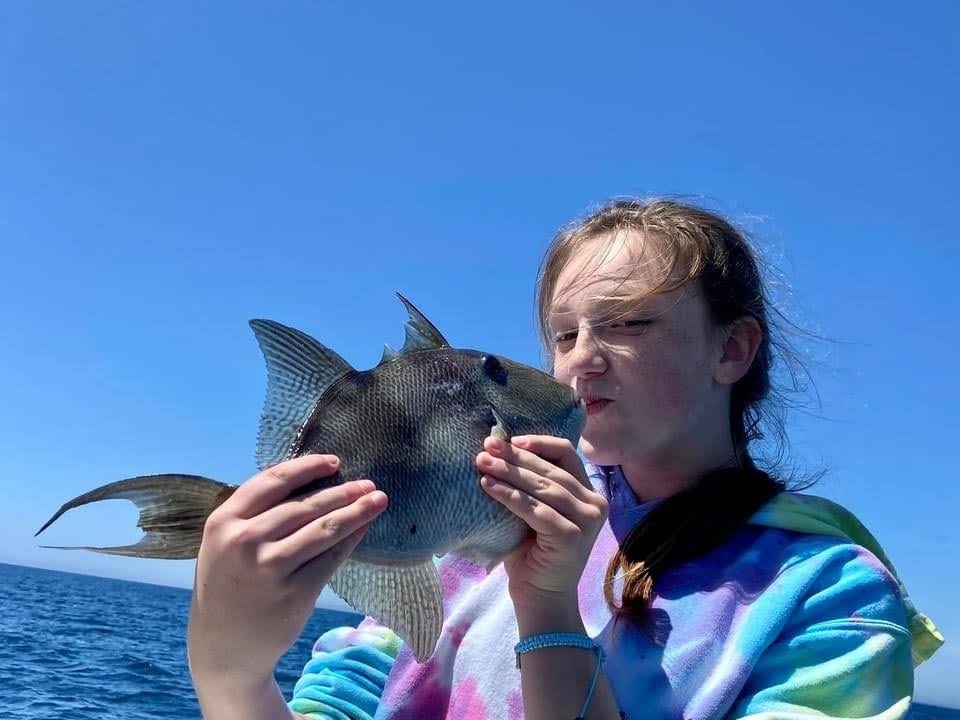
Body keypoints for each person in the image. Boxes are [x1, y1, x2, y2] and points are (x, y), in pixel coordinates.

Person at [187, 199, 942, 720]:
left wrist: (546, 611)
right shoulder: (476, 533)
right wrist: (231, 670)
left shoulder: (825, 595)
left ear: (731, 348)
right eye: (564, 334)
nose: (578, 364)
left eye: (626, 325)